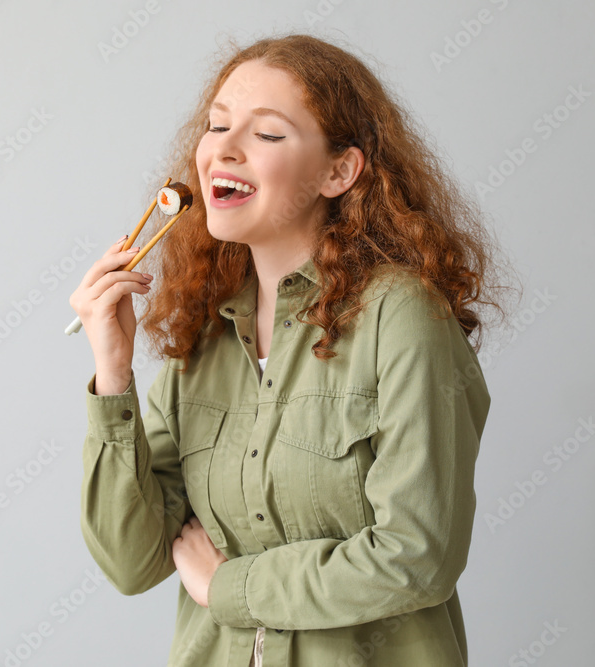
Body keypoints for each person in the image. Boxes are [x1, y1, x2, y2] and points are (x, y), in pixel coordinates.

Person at [71, 32, 514, 667]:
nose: (223, 148)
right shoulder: (203, 334)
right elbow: (132, 561)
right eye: (217, 126)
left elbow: (417, 556)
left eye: (268, 135)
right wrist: (112, 374)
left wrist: (228, 586)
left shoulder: (402, 315)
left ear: (340, 171)